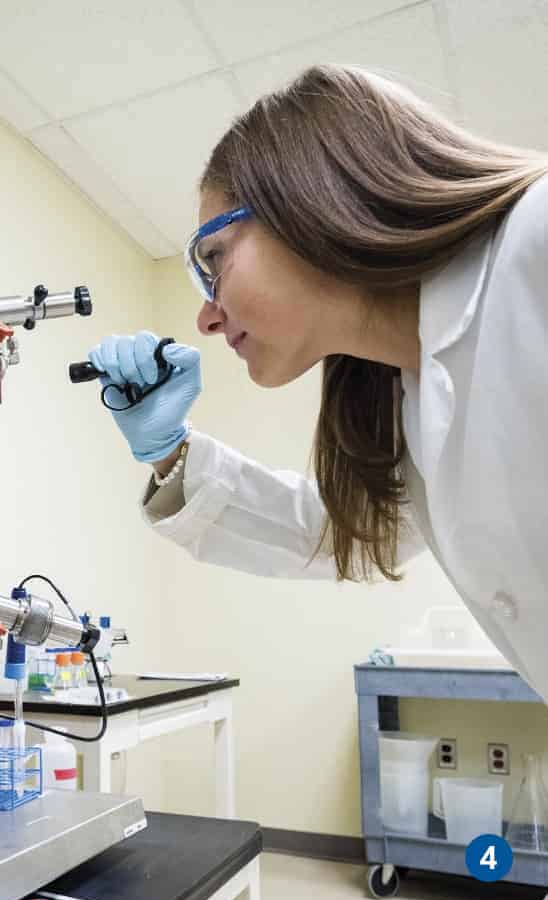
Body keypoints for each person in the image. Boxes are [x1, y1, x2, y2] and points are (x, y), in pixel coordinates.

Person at [87, 64, 548, 703]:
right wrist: (169, 447)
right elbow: (346, 533)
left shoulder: (536, 245)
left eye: (214, 259)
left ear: (309, 201)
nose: (206, 316)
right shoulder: (408, 406)